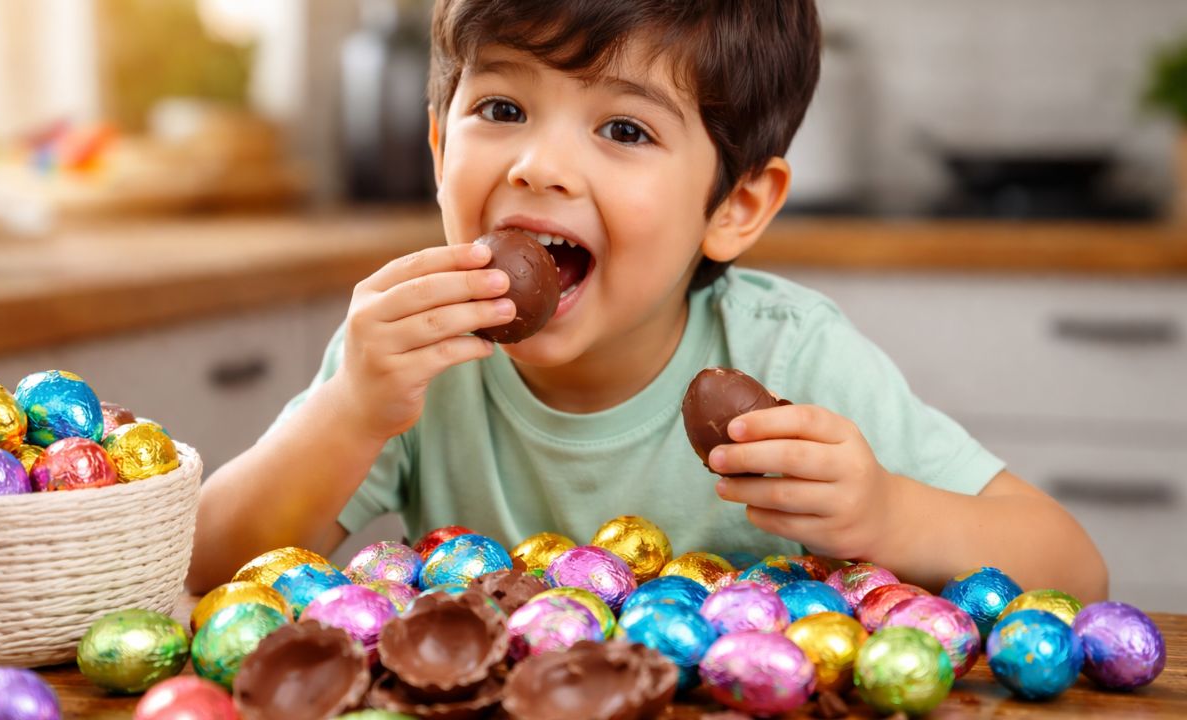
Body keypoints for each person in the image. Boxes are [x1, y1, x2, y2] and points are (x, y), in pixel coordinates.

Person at [188, 0, 1107, 602]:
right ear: (437, 149)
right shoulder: (406, 356)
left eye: (624, 128)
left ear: (736, 206)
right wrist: (349, 413)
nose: (539, 164)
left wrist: (889, 515)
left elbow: (1075, 566)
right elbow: (205, 565)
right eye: (501, 108)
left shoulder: (790, 360)